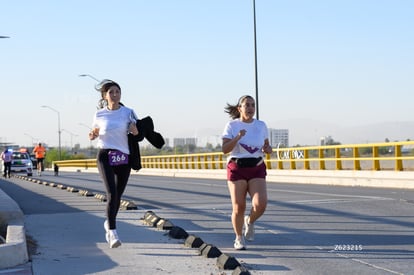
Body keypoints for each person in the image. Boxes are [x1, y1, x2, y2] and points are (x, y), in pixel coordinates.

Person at [89, 79, 139, 249]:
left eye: (117, 91)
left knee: (117, 196)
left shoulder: (129, 112)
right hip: (105, 155)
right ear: (105, 96)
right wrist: (93, 135)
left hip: (123, 157)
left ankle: (108, 222)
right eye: (111, 92)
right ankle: (112, 232)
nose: (115, 94)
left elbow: (138, 135)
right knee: (111, 193)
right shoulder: (99, 115)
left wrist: (135, 130)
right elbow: (93, 133)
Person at [222, 95, 273, 250]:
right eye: (247, 105)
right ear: (240, 109)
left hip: (256, 166)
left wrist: (268, 149)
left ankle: (249, 221)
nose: (250, 108)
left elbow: (266, 147)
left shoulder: (261, 125)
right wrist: (238, 137)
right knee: (239, 206)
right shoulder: (232, 126)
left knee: (261, 204)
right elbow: (225, 150)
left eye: (252, 105)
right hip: (237, 168)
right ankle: (238, 238)